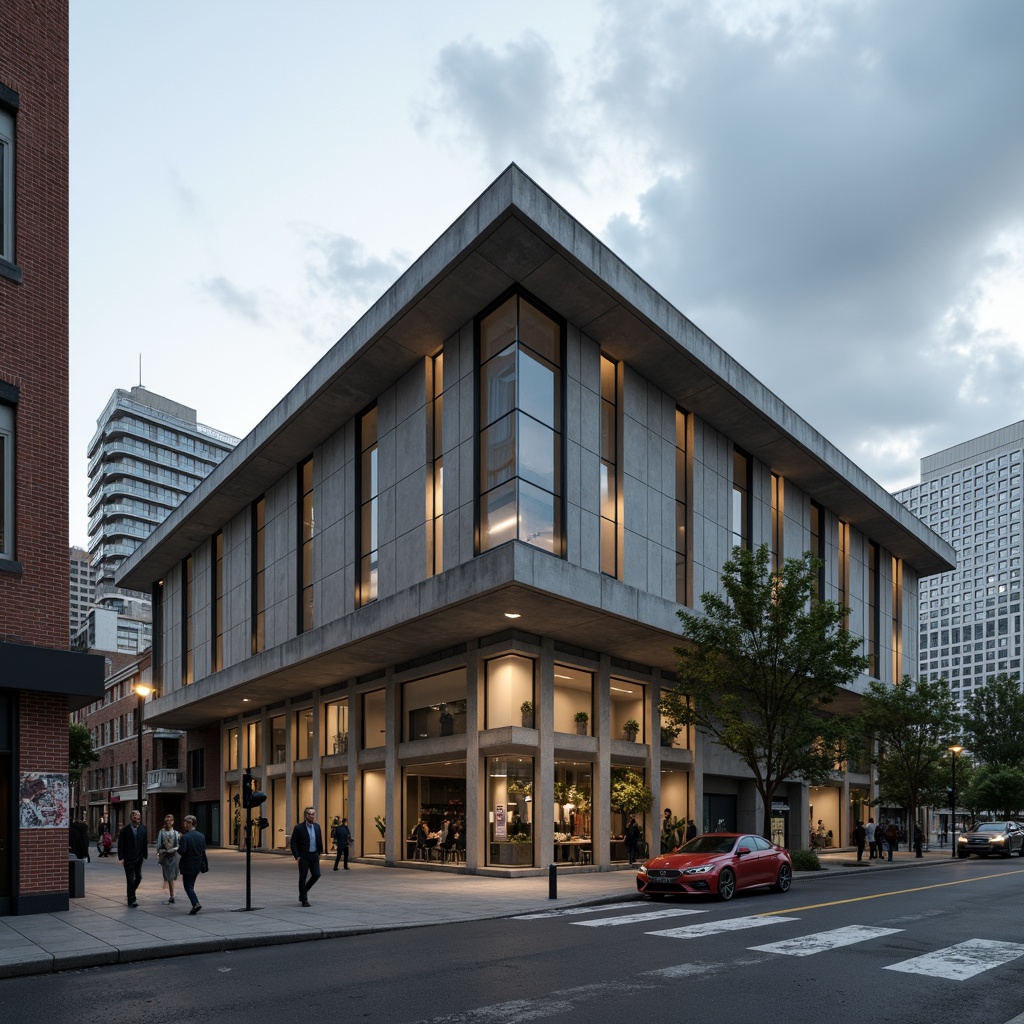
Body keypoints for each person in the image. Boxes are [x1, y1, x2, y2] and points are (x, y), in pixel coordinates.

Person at [290, 806, 324, 906]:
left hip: (314, 855)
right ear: (306, 816)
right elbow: (293, 843)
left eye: (314, 814)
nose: (314, 816)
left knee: (317, 875)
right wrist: (297, 856)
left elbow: (319, 840)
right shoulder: (299, 828)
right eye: (311, 814)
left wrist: (319, 853)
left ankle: (303, 891)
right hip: (304, 856)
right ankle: (304, 899)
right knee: (303, 877)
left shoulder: (317, 827)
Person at [176, 814, 208, 915]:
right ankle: (195, 903)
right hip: (197, 864)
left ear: (190, 824)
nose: (185, 824)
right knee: (191, 884)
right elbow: (203, 850)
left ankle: (196, 903)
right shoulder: (201, 836)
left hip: (188, 865)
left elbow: (182, 851)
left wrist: (178, 844)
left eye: (186, 822)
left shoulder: (185, 837)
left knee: (188, 886)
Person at [117, 810, 148, 908]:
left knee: (138, 877)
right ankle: (131, 899)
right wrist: (121, 857)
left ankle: (131, 892)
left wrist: (145, 855)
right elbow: (120, 843)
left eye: (138, 818)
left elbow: (144, 843)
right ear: (131, 818)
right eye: (134, 818)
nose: (137, 820)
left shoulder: (142, 829)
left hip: (139, 857)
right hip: (128, 857)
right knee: (130, 879)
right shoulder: (125, 830)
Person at [156, 814, 180, 904]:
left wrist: (174, 850)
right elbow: (158, 845)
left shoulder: (175, 833)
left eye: (169, 820)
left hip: (173, 856)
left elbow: (178, 845)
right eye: (166, 821)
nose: (168, 822)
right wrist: (160, 853)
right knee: (169, 876)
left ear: (173, 822)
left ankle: (171, 894)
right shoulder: (161, 832)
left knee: (172, 876)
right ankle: (172, 895)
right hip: (165, 856)